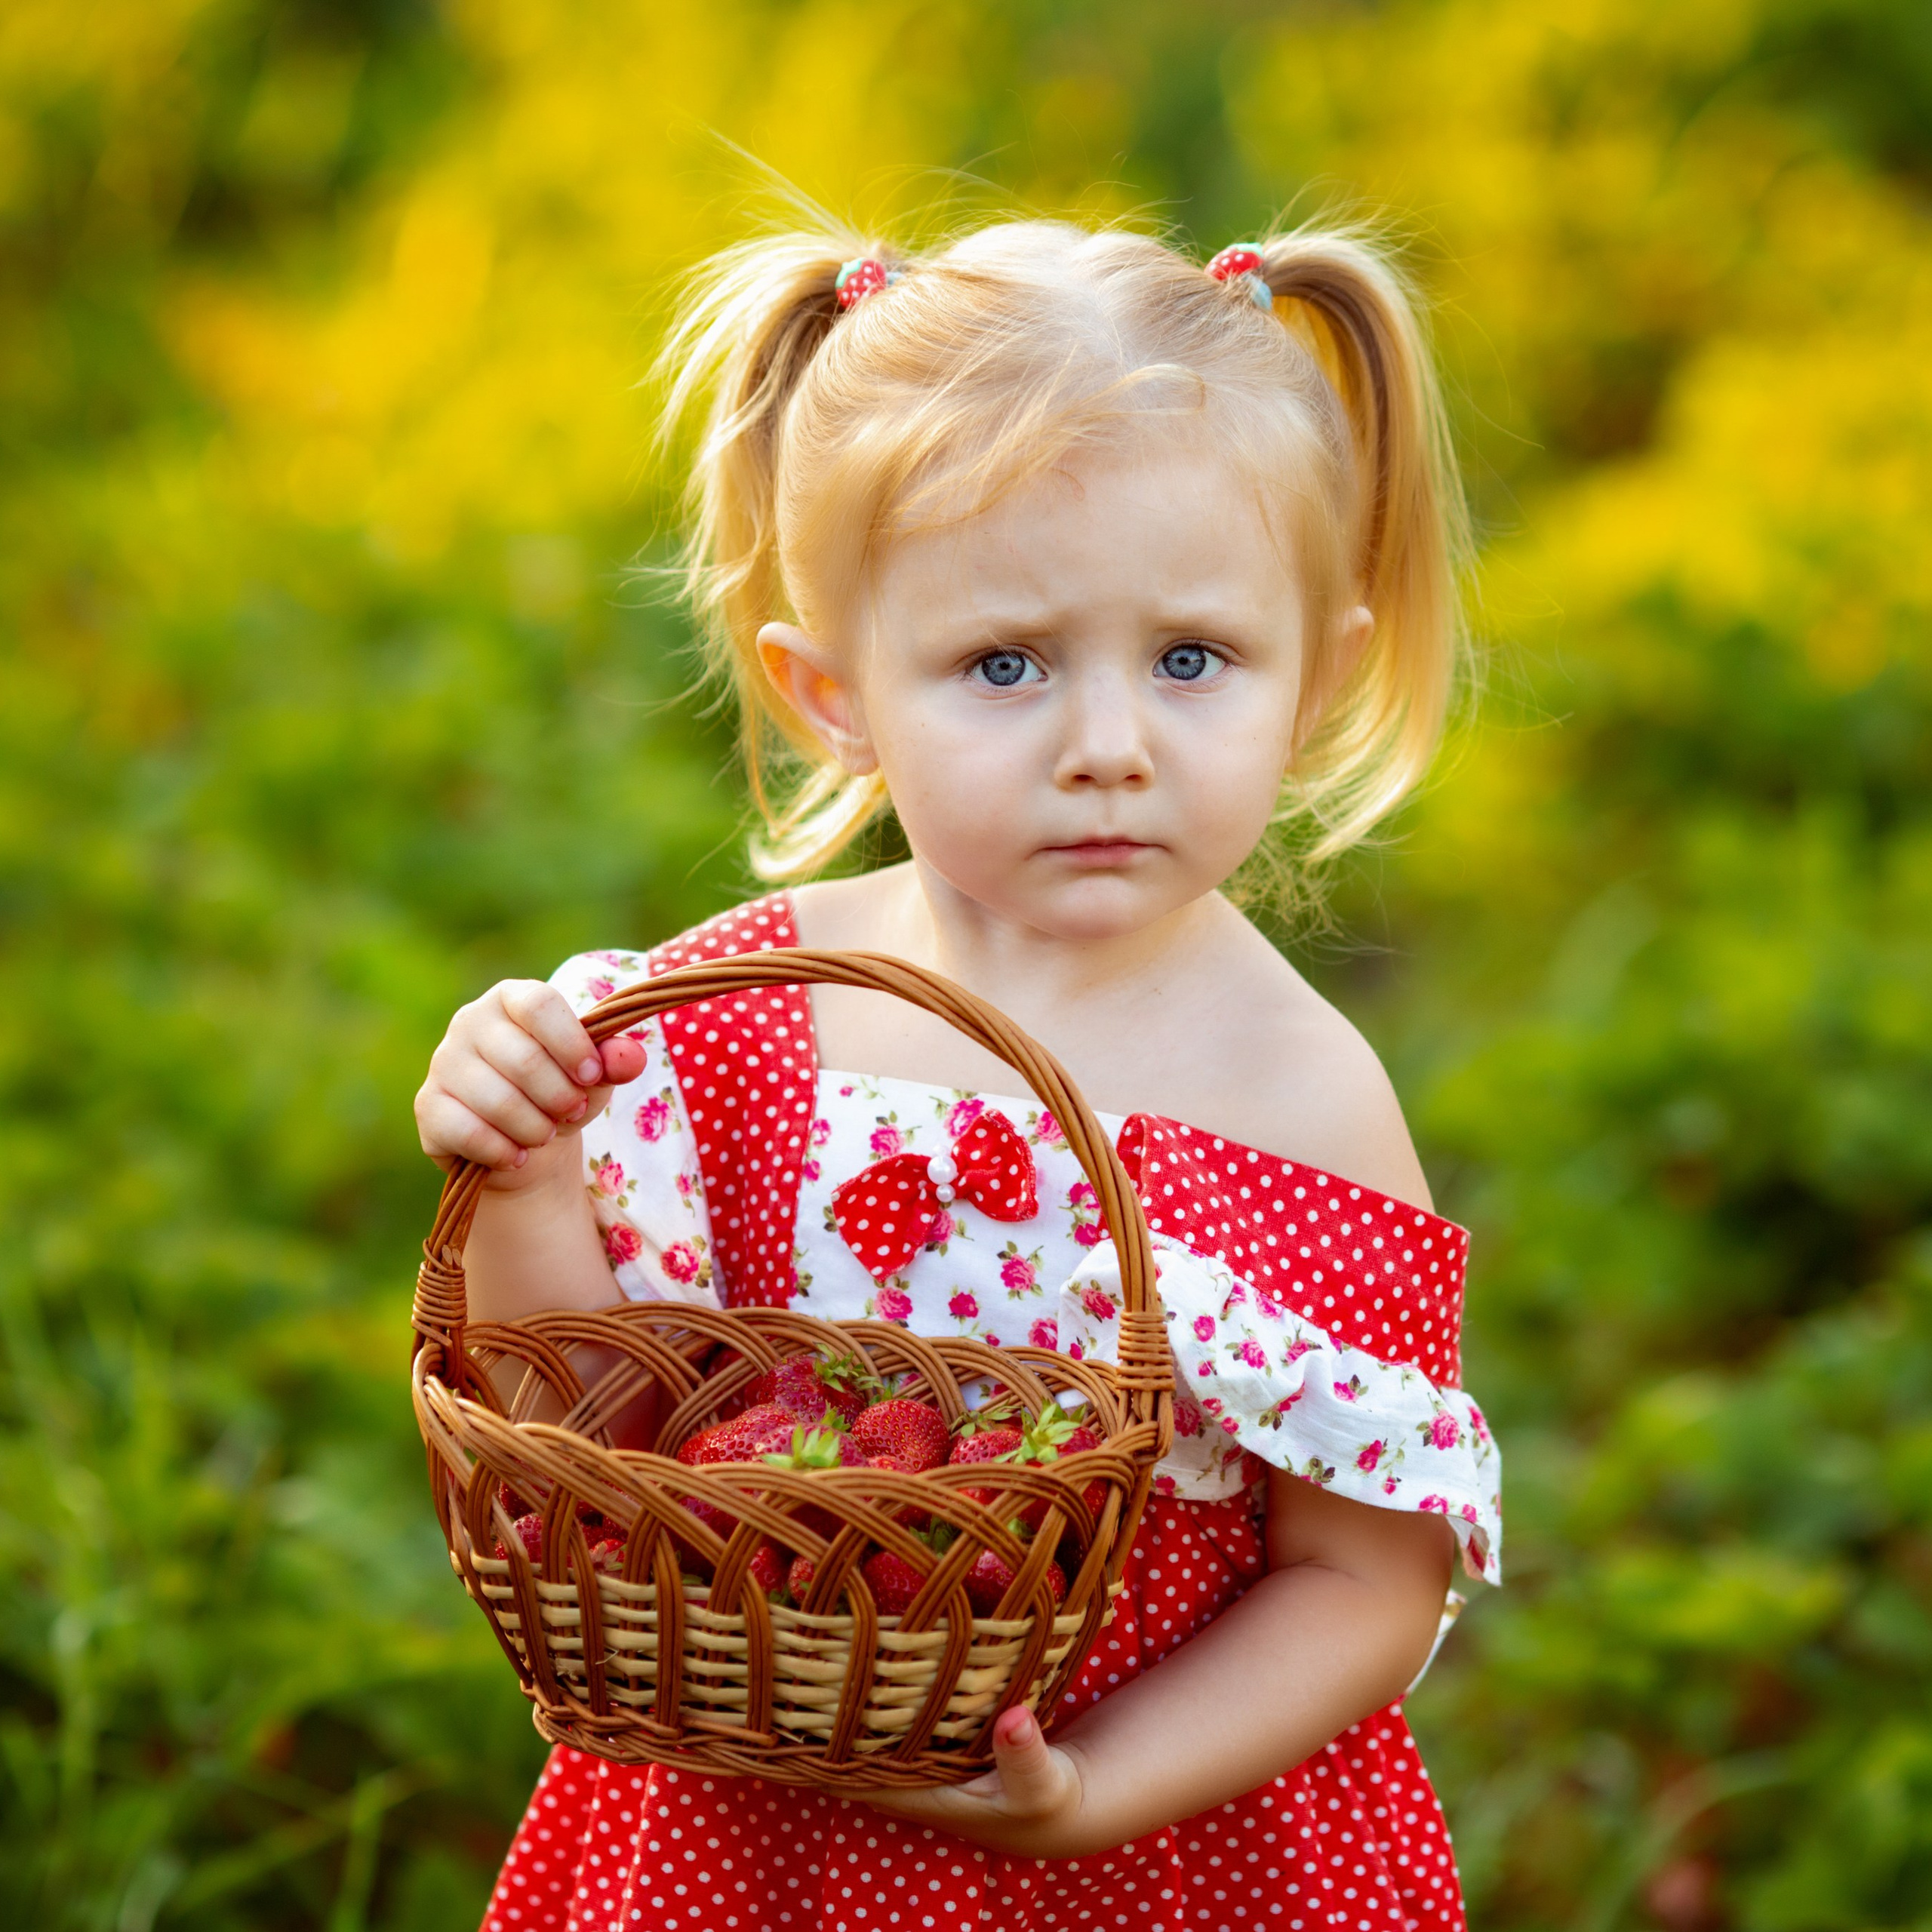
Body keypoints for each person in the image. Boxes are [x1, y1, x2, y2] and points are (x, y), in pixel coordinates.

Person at [415, 211, 1503, 1932]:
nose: (1105, 744)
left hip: (1152, 1849)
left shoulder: (1298, 1099)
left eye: (1192, 658)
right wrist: (530, 1176)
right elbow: (598, 1435)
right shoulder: (723, 1021)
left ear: (1318, 677)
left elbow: (1363, 1578)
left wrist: (1093, 1790)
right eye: (1003, 664)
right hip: (748, 1818)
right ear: (834, 695)